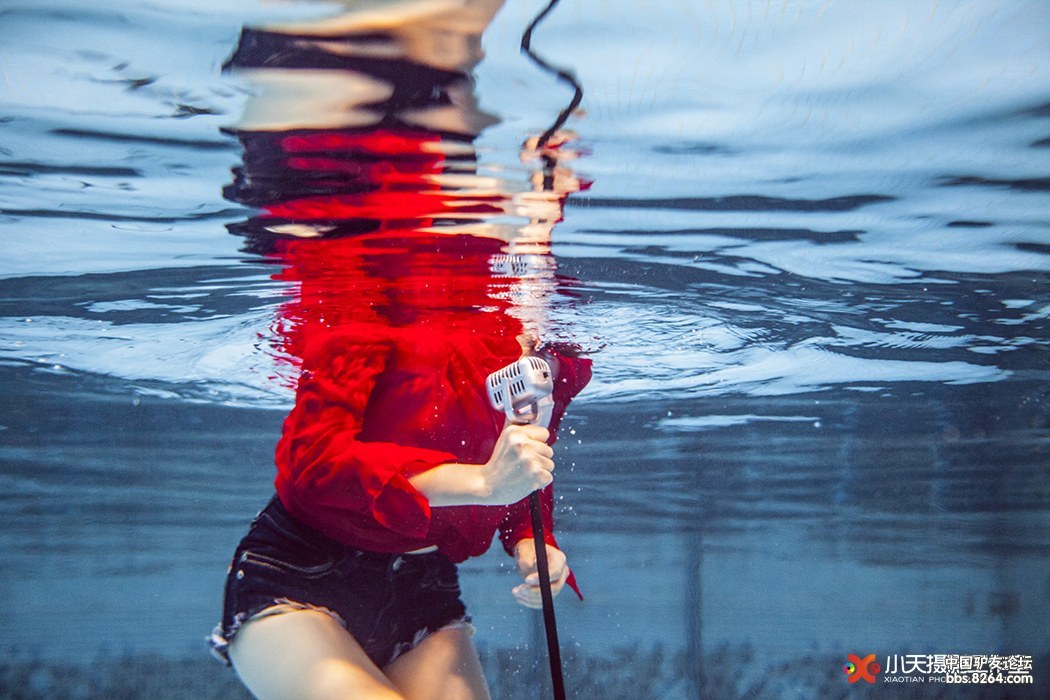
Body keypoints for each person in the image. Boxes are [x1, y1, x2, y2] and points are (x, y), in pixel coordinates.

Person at [209, 2, 591, 698]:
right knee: (410, 54)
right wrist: (480, 485)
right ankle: (392, 53)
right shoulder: (370, 303)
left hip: (422, 592)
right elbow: (313, 469)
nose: (532, 233)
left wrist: (530, 540)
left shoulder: (530, 335)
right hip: (299, 576)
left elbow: (518, 465)